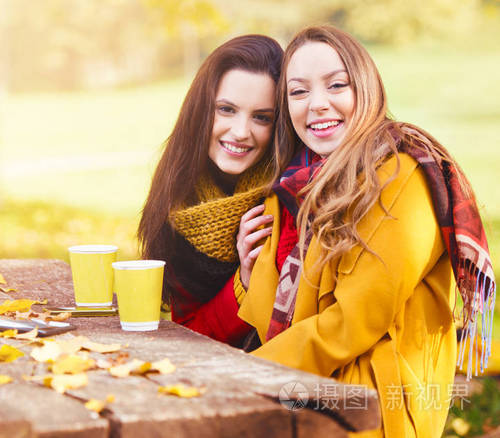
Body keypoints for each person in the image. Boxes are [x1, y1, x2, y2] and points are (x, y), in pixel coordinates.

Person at [236, 25, 496, 437]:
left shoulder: (399, 173)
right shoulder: (295, 187)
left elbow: (355, 320)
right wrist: (253, 275)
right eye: (298, 92)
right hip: (307, 383)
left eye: (336, 85)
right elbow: (277, 321)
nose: (317, 105)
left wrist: (243, 376)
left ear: (366, 88)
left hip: (372, 404)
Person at [137, 34, 283, 347]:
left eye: (261, 117)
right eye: (227, 110)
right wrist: (244, 280)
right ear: (201, 110)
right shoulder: (181, 194)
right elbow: (190, 333)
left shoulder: (287, 193)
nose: (242, 132)